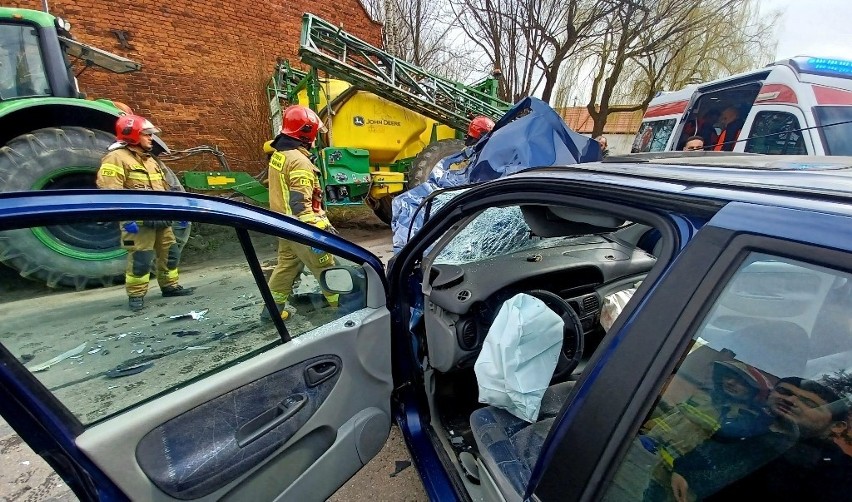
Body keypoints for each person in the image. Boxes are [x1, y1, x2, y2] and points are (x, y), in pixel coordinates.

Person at [669, 377, 852, 502]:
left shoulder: (838, 472)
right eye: (784, 391)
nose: (791, 401)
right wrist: (685, 470)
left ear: (837, 426)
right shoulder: (745, 425)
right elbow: (706, 453)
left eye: (809, 403)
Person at [96, 114, 194, 311]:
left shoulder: (151, 161)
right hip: (138, 223)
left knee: (170, 253)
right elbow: (111, 194)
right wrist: (126, 218)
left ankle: (170, 287)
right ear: (132, 135)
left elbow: (166, 190)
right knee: (140, 260)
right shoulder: (115, 158)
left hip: (162, 219)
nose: (151, 138)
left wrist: (179, 213)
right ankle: (136, 295)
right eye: (147, 134)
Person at [640, 361, 772, 501]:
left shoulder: (743, 419)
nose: (731, 382)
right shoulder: (705, 399)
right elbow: (675, 418)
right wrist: (652, 435)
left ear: (754, 391)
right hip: (657, 466)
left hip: (685, 481)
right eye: (729, 376)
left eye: (741, 382)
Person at [261, 105, 340, 322]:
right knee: (325, 266)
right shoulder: (300, 163)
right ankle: (343, 309)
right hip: (299, 228)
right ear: (306, 132)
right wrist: (320, 230)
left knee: (286, 266)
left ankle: (272, 312)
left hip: (283, 225)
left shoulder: (280, 155)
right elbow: (301, 205)